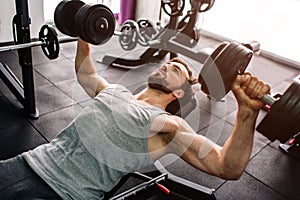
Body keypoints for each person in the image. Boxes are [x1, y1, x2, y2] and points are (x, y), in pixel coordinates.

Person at [0, 38, 270, 200]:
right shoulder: (115, 91)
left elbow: (226, 167)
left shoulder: (168, 126)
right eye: (167, 63)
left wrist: (247, 112)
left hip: (65, 194)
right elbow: (86, 73)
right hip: (27, 162)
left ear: (179, 92)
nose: (166, 65)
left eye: (175, 69)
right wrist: (85, 34)